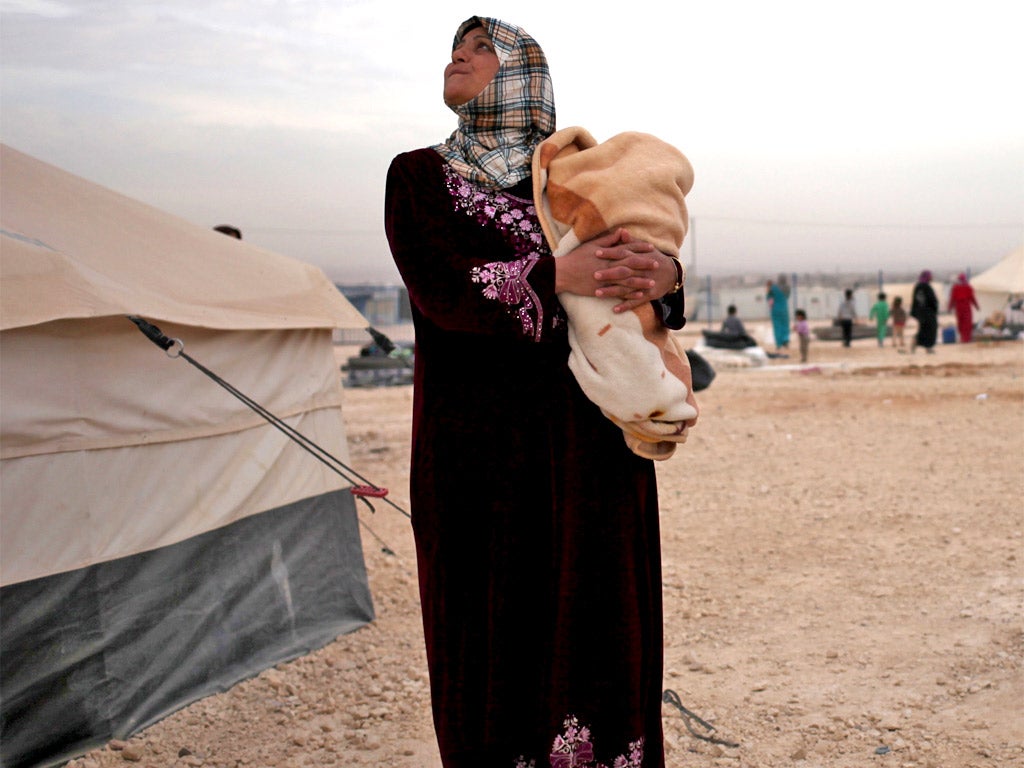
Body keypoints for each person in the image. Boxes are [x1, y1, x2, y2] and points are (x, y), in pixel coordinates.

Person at [384, 17, 691, 767]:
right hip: (477, 461)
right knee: (490, 632)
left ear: (526, 75)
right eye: (457, 46)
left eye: (483, 46)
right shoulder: (418, 176)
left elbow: (644, 273)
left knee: (598, 621)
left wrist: (669, 277)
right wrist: (558, 277)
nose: (459, 54)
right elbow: (441, 292)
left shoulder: (576, 180)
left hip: (590, 454)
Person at [910, 269, 939, 353]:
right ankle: (925, 346)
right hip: (928, 312)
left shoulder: (918, 286)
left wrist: (914, 312)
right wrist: (935, 309)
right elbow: (932, 300)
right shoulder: (926, 287)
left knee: (924, 329)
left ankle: (924, 346)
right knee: (930, 329)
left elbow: (915, 300)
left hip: (920, 312)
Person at [948, 272, 980, 342]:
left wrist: (949, 307)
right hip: (966, 307)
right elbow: (972, 298)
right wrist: (977, 306)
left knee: (961, 322)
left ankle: (963, 338)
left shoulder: (955, 288)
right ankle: (966, 338)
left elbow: (952, 299)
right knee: (967, 323)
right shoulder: (968, 287)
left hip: (959, 307)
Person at [766, 277, 790, 350]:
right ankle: (785, 341)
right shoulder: (787, 288)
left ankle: (778, 344)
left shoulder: (773, 288)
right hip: (784, 309)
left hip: (775, 309)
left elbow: (768, 297)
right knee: (785, 325)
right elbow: (787, 296)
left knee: (777, 327)